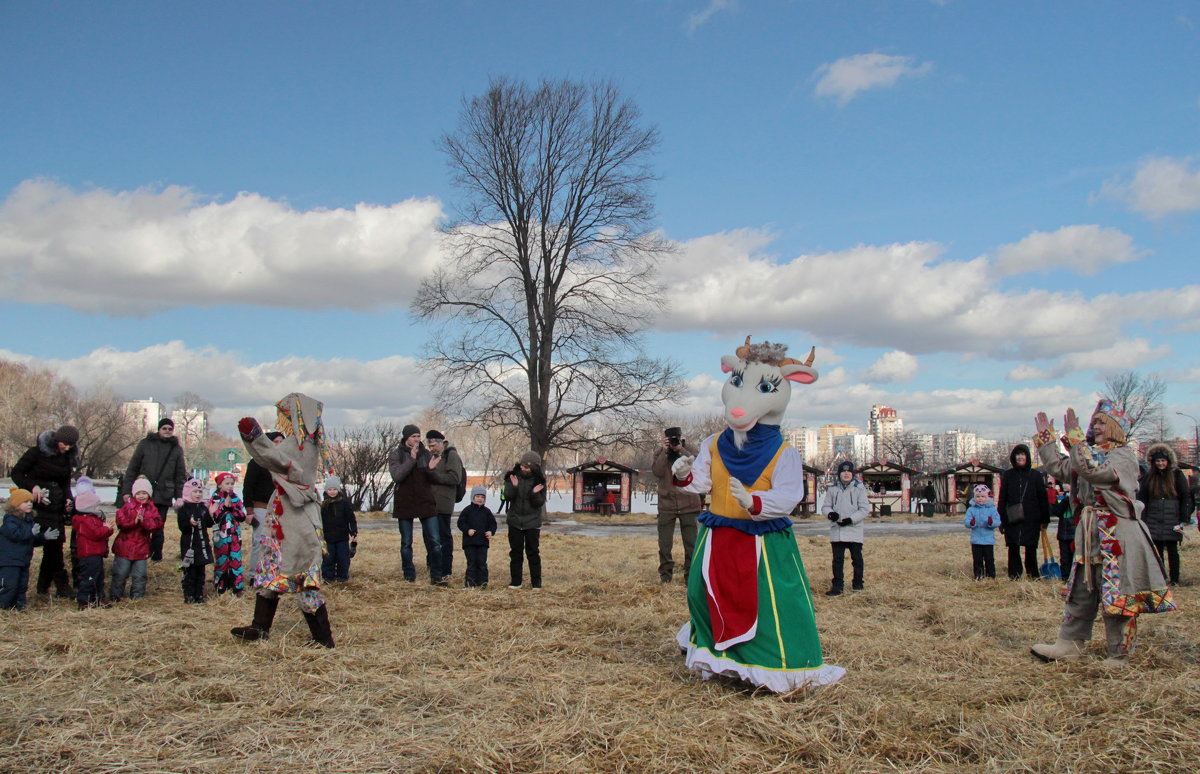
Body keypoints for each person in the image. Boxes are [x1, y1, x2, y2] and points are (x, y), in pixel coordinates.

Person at [673, 337, 843, 693]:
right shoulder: (714, 444)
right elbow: (701, 482)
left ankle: (773, 667)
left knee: (770, 604)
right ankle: (718, 659)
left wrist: (755, 503)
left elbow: (788, 495)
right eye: (737, 382)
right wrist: (683, 474)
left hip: (762, 543)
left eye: (765, 387)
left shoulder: (784, 453)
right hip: (718, 536)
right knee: (703, 593)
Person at [1030, 400, 1176, 665]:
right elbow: (1062, 468)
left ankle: (1120, 653)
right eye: (1093, 422)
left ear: (1115, 428)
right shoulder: (1089, 452)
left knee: (1118, 590)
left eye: (1101, 422)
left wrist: (1074, 440)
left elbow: (1094, 471)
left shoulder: (1123, 456)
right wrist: (1047, 441)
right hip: (1090, 534)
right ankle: (1069, 644)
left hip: (1118, 533)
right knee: (1082, 588)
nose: (1095, 426)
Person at [231, 393, 336, 647]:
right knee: (272, 573)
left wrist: (254, 438)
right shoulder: (298, 442)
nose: (284, 418)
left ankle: (323, 639)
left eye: (287, 414)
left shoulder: (303, 446)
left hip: (297, 524)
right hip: (284, 520)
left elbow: (274, 459)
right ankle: (260, 628)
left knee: (302, 579)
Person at [10, 424, 78, 598]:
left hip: (55, 508)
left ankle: (49, 586)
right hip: (35, 507)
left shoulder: (67, 457)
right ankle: (16, 584)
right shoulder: (36, 453)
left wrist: (68, 499)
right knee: (31, 542)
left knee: (54, 547)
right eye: (65, 444)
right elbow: (17, 473)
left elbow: (65, 483)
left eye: (71, 445)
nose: (67, 448)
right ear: (57, 440)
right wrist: (32, 487)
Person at [122, 417, 187, 561]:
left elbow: (180, 475)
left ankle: (156, 556)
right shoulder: (145, 444)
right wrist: (127, 491)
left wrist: (180, 496)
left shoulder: (176, 449)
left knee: (158, 527)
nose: (167, 431)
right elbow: (133, 468)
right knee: (139, 526)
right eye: (164, 428)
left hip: (164, 494)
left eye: (170, 429)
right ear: (159, 429)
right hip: (143, 492)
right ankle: (139, 554)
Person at [388, 424, 444, 585]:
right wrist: (412, 459)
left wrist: (431, 470)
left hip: (425, 501)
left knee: (434, 540)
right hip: (405, 502)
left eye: (419, 436)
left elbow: (432, 479)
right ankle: (409, 575)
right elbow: (397, 476)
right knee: (406, 541)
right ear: (406, 438)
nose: (418, 439)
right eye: (414, 436)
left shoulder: (425, 453)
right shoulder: (396, 454)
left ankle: (436, 575)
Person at [1137, 443, 1193, 586]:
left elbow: (1185, 496)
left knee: (1173, 550)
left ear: (1168, 461)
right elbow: (1142, 497)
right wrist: (1141, 517)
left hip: (1172, 517)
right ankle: (1160, 578)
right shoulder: (1149, 477)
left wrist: (1184, 517)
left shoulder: (1177, 475)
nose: (1160, 463)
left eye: (1163, 461)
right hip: (1153, 517)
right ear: (1153, 462)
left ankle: (1175, 579)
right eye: (1158, 461)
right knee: (1157, 551)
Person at [652, 427, 702, 584]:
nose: (673, 441)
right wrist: (665, 452)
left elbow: (698, 465)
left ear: (681, 437)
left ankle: (691, 577)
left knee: (691, 544)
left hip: (689, 503)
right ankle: (665, 576)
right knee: (665, 545)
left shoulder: (690, 449)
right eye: (670, 439)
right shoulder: (660, 452)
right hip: (667, 504)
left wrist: (681, 450)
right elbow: (658, 472)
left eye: (676, 438)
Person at [0, 488, 60, 610]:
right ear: (16, 504)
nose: (29, 504)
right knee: (9, 585)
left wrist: (43, 537)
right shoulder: (9, 521)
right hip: (9, 561)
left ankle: (19, 606)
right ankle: (3, 607)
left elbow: (31, 540)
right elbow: (15, 535)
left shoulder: (28, 520)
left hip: (23, 560)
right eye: (25, 501)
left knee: (22, 585)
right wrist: (30, 532)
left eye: (31, 502)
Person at [998, 443, 1049, 579]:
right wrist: (1001, 519)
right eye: (1017, 454)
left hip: (1032, 517)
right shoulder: (1008, 475)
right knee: (1013, 546)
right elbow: (1002, 497)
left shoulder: (1036, 475)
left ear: (1027, 456)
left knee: (1031, 547)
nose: (1020, 457)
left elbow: (1042, 498)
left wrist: (1045, 518)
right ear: (1013, 457)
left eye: (1022, 454)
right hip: (1012, 516)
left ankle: (1032, 575)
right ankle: (1014, 575)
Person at [110, 477, 164, 601]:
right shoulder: (127, 507)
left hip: (142, 548)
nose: (141, 496)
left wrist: (143, 522)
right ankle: (115, 595)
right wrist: (133, 522)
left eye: (144, 493)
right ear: (134, 494)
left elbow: (156, 524)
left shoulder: (152, 509)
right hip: (124, 547)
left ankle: (137, 597)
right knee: (120, 573)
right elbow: (120, 522)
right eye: (139, 493)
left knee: (140, 575)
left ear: (149, 494)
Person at [820, 460, 869, 595]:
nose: (846, 474)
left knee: (857, 559)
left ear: (852, 474)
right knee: (837, 560)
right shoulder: (833, 489)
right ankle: (837, 586)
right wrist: (830, 514)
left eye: (848, 471)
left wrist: (851, 519)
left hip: (854, 529)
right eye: (843, 471)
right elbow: (825, 506)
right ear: (839, 474)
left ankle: (858, 584)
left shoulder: (859, 488)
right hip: (838, 529)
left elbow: (864, 509)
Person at [425, 429, 465, 582]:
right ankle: (434, 567)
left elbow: (455, 477)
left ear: (442, 443)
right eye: (430, 446)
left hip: (444, 503)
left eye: (434, 445)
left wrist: (435, 476)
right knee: (431, 538)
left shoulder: (451, 455)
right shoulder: (434, 457)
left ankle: (446, 569)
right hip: (431, 503)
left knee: (444, 538)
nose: (432, 448)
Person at [242, 431, 284, 573]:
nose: (278, 445)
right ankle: (254, 573)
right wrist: (249, 510)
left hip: (280, 509)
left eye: (281, 442)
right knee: (260, 542)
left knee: (277, 542)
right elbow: (248, 487)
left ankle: (273, 572)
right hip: (261, 508)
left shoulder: (285, 463)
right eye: (275, 441)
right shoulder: (257, 462)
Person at [504, 451, 547, 589]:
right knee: (515, 552)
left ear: (534, 468)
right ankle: (516, 581)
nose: (524, 469)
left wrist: (534, 493)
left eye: (527, 467)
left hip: (532, 523)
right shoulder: (512, 476)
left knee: (533, 552)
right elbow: (507, 496)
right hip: (515, 521)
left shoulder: (539, 480)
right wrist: (514, 486)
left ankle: (536, 583)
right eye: (522, 465)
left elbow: (539, 502)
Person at [71, 477, 112, 610]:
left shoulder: (93, 519)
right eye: (97, 505)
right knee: (89, 577)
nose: (99, 508)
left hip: (96, 552)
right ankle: (84, 600)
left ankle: (98, 598)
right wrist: (106, 528)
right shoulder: (85, 521)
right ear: (89, 507)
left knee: (99, 577)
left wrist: (107, 529)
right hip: (89, 554)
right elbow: (96, 534)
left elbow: (100, 534)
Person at [209, 472, 247, 595]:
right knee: (221, 560)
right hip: (220, 535)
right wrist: (223, 507)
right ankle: (221, 585)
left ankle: (237, 586)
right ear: (220, 485)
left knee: (235, 560)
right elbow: (213, 517)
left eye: (232, 484)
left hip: (235, 535)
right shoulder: (215, 498)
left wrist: (232, 508)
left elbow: (242, 516)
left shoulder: (236, 498)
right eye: (227, 483)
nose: (230, 486)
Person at [177, 478, 214, 604]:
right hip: (190, 545)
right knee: (190, 571)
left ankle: (199, 594)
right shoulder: (184, 509)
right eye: (195, 492)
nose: (198, 494)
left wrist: (211, 513)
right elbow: (182, 527)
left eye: (200, 492)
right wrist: (189, 523)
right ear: (188, 492)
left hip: (202, 544)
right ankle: (189, 595)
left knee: (200, 572)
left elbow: (209, 523)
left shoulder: (203, 508)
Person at [320, 475, 358, 582]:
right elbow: (319, 521)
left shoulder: (344, 503)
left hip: (342, 537)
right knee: (328, 559)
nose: (332, 492)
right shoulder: (322, 505)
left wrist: (353, 531)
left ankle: (342, 576)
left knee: (343, 558)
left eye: (334, 489)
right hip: (328, 538)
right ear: (326, 490)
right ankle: (328, 577)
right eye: (330, 489)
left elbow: (351, 518)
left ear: (338, 489)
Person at [458, 485, 497, 588]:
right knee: (471, 563)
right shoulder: (467, 510)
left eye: (482, 497)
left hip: (483, 543)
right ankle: (470, 583)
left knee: (482, 563)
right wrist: (467, 530)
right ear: (473, 497)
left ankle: (483, 583)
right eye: (478, 496)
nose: (480, 499)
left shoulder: (487, 512)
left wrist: (490, 531)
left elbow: (493, 524)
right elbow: (460, 523)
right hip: (469, 542)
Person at [964, 484, 1000, 580]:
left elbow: (998, 521)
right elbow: (966, 522)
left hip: (988, 540)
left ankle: (991, 576)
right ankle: (978, 576)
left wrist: (991, 523)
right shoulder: (971, 509)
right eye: (978, 497)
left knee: (989, 559)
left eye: (983, 496)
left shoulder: (992, 509)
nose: (980, 499)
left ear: (987, 497)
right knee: (977, 560)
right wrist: (971, 523)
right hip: (976, 540)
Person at [1053, 481, 1075, 576]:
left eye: (1068, 483)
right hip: (1063, 532)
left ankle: (1073, 577)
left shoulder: (1078, 497)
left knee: (1074, 557)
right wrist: (1065, 500)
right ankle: (1065, 577)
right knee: (1065, 558)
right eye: (1064, 483)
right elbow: (1057, 511)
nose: (1065, 485)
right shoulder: (1061, 497)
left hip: (1074, 532)